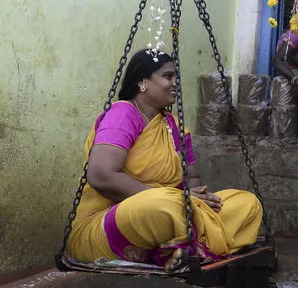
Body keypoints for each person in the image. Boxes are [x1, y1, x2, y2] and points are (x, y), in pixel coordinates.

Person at [68, 49, 263, 272]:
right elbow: (101, 175)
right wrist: (175, 197)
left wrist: (200, 198)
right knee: (163, 206)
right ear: (142, 82)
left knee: (246, 204)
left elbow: (193, 180)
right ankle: (182, 249)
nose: (175, 83)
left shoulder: (174, 126)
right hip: (111, 223)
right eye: (167, 76)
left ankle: (178, 251)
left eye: (176, 77)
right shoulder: (122, 114)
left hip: (172, 209)